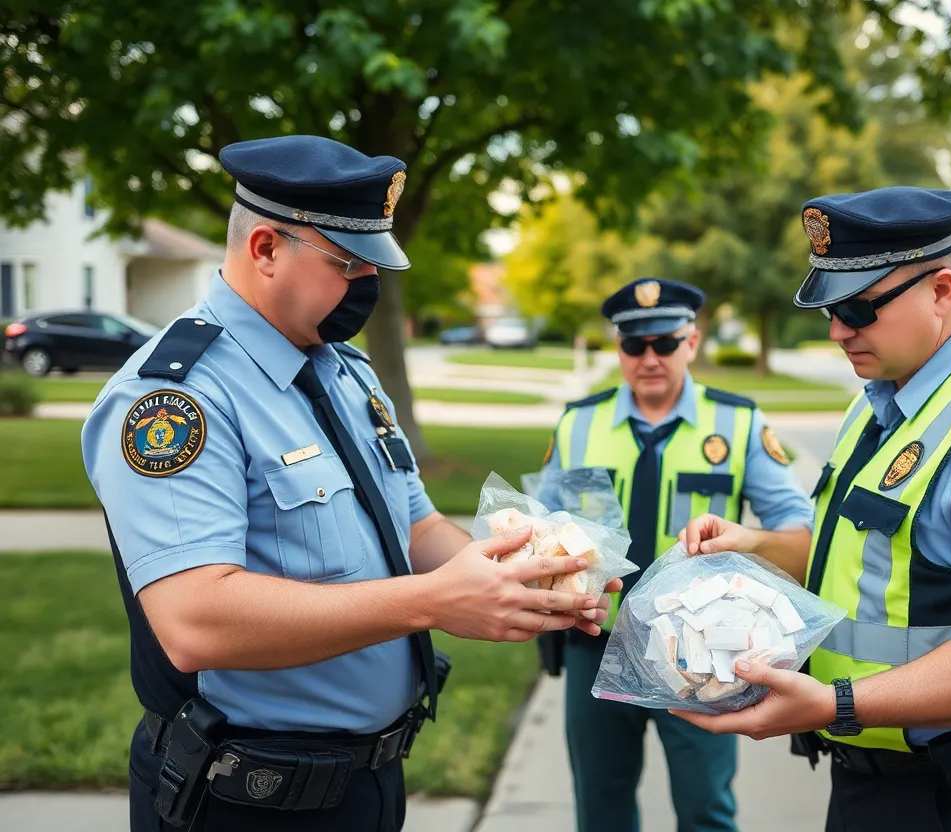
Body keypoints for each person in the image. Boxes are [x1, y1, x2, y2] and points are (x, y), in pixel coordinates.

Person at [80, 134, 620, 832]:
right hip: (245, 799)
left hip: (368, 783)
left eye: (374, 264)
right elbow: (195, 621)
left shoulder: (346, 372)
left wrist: (527, 576)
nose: (368, 284)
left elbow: (416, 525)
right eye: (348, 263)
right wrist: (433, 602)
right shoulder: (177, 399)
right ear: (265, 248)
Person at [675, 186, 951, 832]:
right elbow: (868, 565)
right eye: (831, 310)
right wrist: (754, 545)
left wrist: (835, 704)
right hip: (874, 776)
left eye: (858, 308)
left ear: (941, 290)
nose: (838, 330)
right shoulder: (884, 401)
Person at [535, 277, 816, 832]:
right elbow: (542, 527)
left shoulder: (737, 422)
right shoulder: (578, 423)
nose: (650, 358)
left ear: (692, 341)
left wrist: (748, 542)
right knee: (600, 803)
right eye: (634, 345)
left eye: (665, 343)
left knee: (705, 806)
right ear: (618, 348)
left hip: (700, 656)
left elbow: (798, 527)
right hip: (596, 642)